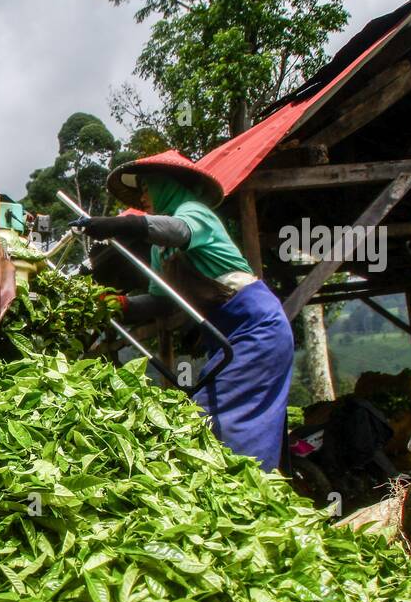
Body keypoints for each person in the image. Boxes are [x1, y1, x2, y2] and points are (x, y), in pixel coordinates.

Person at [76, 150, 294, 470]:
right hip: (224, 335)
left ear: (168, 184)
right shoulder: (158, 251)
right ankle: (248, 490)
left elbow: (179, 230)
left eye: (148, 187)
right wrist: (120, 304)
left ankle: (245, 496)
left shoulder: (194, 213)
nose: (143, 196)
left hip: (256, 325)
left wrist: (117, 226)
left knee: (219, 420)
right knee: (215, 412)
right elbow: (161, 302)